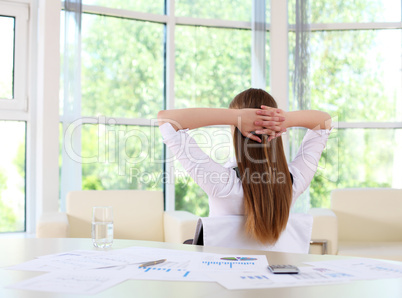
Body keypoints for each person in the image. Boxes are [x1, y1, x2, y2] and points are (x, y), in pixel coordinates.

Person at [158, 88, 332, 245]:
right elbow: (323, 123)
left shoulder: (223, 183)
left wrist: (235, 117)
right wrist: (284, 119)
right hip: (275, 276)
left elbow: (166, 121)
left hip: (221, 275)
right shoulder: (294, 180)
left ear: (234, 129)